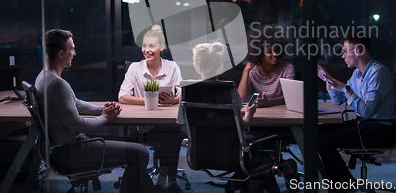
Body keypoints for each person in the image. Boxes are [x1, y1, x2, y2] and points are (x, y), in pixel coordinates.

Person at [35, 29, 158, 193]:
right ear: (60, 54)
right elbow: (77, 125)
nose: (74, 53)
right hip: (71, 152)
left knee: (135, 150)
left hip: (60, 149)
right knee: (140, 152)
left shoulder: (43, 77)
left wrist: (102, 110)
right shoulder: (58, 85)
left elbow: (75, 104)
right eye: (71, 49)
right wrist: (105, 118)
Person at [178, 42, 280, 193]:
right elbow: (242, 127)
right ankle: (252, 183)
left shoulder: (188, 90)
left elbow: (183, 122)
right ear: (220, 66)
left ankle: (243, 184)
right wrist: (249, 114)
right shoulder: (229, 90)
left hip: (200, 155)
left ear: (196, 65)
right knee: (255, 140)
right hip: (230, 154)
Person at [317, 35, 396, 193]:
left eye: (346, 51)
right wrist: (331, 86)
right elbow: (338, 101)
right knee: (318, 133)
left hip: (380, 130)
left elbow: (367, 112)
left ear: (358, 51)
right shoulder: (358, 74)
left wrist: (345, 89)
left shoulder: (377, 73)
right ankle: (343, 183)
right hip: (365, 124)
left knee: (325, 140)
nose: (343, 56)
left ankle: (344, 185)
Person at [118, 25, 185, 193]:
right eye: (144, 46)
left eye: (152, 46)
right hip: (143, 125)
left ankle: (163, 180)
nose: (147, 50)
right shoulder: (135, 68)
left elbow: (183, 93)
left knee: (173, 131)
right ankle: (170, 180)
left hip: (166, 122)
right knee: (173, 134)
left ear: (162, 48)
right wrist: (148, 100)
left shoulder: (172, 67)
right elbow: (122, 96)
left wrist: (173, 99)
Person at [238, 25, 295, 107]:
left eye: (277, 50)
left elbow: (290, 97)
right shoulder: (253, 71)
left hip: (283, 111)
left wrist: (268, 102)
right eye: (270, 51)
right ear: (260, 53)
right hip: (263, 112)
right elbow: (241, 98)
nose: (275, 54)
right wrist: (246, 70)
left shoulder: (287, 69)